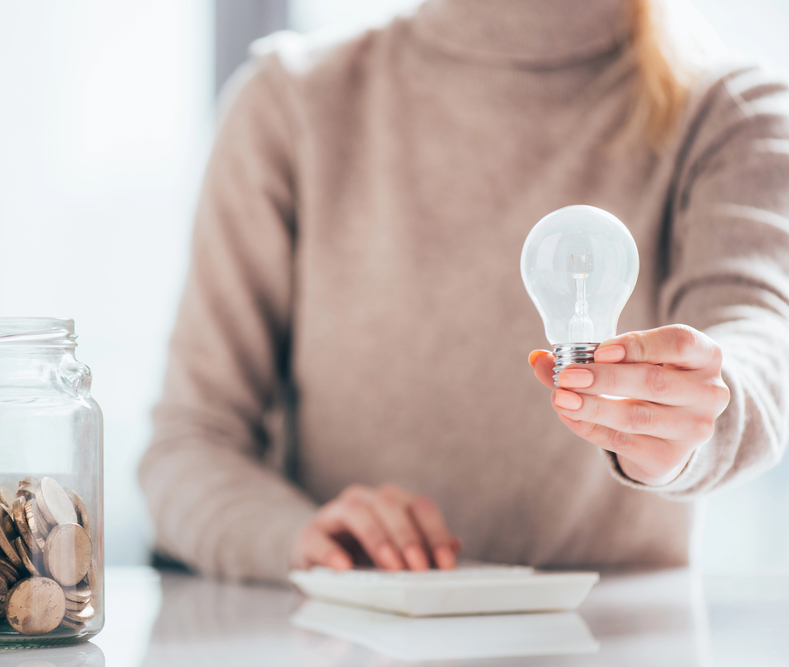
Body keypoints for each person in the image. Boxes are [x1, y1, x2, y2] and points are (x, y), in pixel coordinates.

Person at [138, 0, 789, 582]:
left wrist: (690, 415)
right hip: (351, 645)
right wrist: (303, 539)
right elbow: (188, 446)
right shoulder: (293, 102)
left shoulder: (727, 112)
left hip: (610, 644)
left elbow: (760, 350)